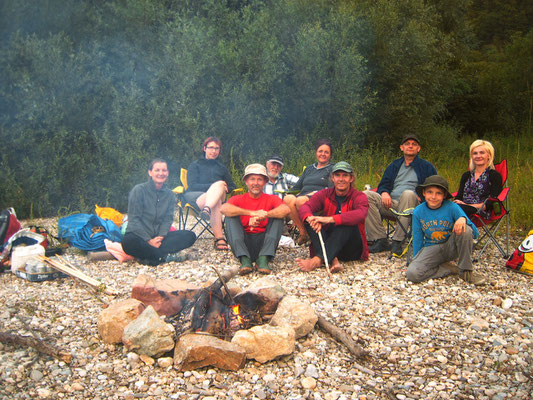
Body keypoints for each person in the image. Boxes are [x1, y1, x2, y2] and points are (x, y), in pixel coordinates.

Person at [364, 134, 437, 254]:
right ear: (401, 147)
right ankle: (380, 239)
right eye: (407, 144)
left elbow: (435, 188)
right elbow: (384, 184)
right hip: (392, 205)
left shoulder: (426, 167)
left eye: (414, 144)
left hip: (415, 207)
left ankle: (397, 241)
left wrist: (423, 198)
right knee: (366, 195)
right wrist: (384, 193)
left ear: (418, 149)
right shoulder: (395, 165)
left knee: (408, 194)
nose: (410, 146)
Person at [406, 175, 485, 285]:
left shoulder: (452, 207)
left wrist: (463, 219)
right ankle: (447, 269)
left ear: (444, 195)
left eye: (438, 193)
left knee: (465, 229)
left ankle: (466, 271)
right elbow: (418, 239)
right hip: (432, 248)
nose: (433, 196)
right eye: (430, 192)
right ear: (423, 193)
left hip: (451, 246)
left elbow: (474, 234)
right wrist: (417, 261)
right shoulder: (418, 211)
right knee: (412, 274)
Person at [295, 162, 369, 273]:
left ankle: (317, 260)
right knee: (311, 220)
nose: (341, 179)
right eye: (337, 175)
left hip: (351, 249)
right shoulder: (324, 194)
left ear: (351, 179)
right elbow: (305, 207)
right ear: (332, 178)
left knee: (346, 223)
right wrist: (310, 218)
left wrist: (330, 219)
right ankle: (333, 259)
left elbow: (361, 213)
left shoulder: (359, 196)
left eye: (345, 175)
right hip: (327, 244)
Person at [122, 159, 196, 265]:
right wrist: (149, 241)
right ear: (150, 172)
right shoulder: (139, 190)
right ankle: (163, 257)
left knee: (190, 236)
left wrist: (161, 237)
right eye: (157, 170)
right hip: (140, 237)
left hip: (159, 238)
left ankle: (151, 257)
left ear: (167, 173)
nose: (161, 173)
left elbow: (168, 219)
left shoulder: (170, 194)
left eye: (164, 170)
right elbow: (134, 220)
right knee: (127, 242)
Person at [221, 164, 290, 275]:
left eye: (259, 179)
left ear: (265, 182)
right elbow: (224, 208)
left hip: (264, 243)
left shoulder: (272, 198)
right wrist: (252, 213)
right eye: (252, 179)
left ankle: (263, 258)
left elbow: (286, 210)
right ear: (246, 182)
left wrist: (265, 215)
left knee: (278, 217)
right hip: (243, 242)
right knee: (230, 217)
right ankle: (244, 259)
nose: (256, 183)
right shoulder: (237, 198)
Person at [185, 137, 236, 251]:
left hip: (216, 197)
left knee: (218, 188)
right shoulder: (195, 165)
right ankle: (219, 238)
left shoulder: (221, 168)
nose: (214, 151)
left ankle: (207, 209)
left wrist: (223, 187)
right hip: (197, 196)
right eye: (211, 148)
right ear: (204, 148)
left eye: (217, 148)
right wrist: (214, 186)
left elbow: (232, 186)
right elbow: (192, 185)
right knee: (216, 198)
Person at [283, 138, 334, 245]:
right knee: (288, 198)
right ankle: (304, 233)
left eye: (326, 152)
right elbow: (297, 187)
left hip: (321, 198)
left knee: (300, 200)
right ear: (316, 152)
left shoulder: (332, 169)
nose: (323, 154)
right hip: (303, 196)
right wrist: (287, 194)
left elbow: (331, 189)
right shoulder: (309, 169)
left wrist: (314, 193)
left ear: (330, 155)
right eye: (320, 151)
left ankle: (310, 234)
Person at [454, 139, 503, 219]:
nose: (478, 156)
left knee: (453, 210)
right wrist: (457, 201)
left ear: (489, 155)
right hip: (462, 208)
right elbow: (459, 196)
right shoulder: (466, 175)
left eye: (482, 153)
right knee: (440, 206)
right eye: (475, 153)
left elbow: (492, 202)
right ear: (472, 157)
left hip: (481, 211)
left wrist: (468, 206)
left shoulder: (494, 176)